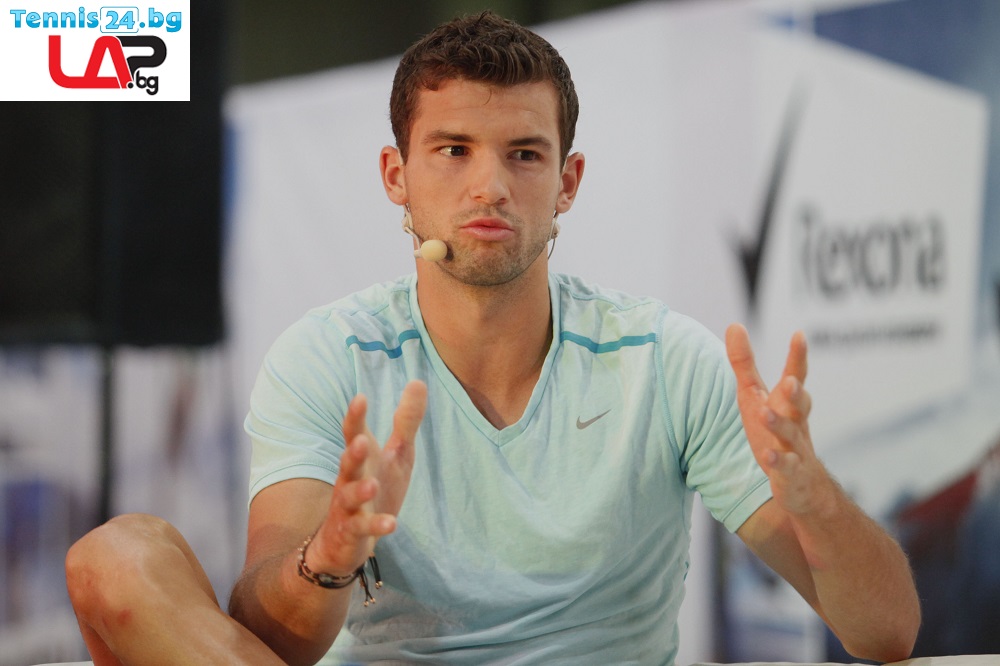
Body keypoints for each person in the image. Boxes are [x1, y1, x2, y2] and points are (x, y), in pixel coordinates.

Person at [65, 11, 920, 665]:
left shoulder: (667, 357)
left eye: (523, 154)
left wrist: (818, 503)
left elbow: (886, 634)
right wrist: (329, 554)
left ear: (567, 181)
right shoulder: (326, 355)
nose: (490, 187)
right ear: (397, 175)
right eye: (452, 150)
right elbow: (278, 645)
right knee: (114, 556)